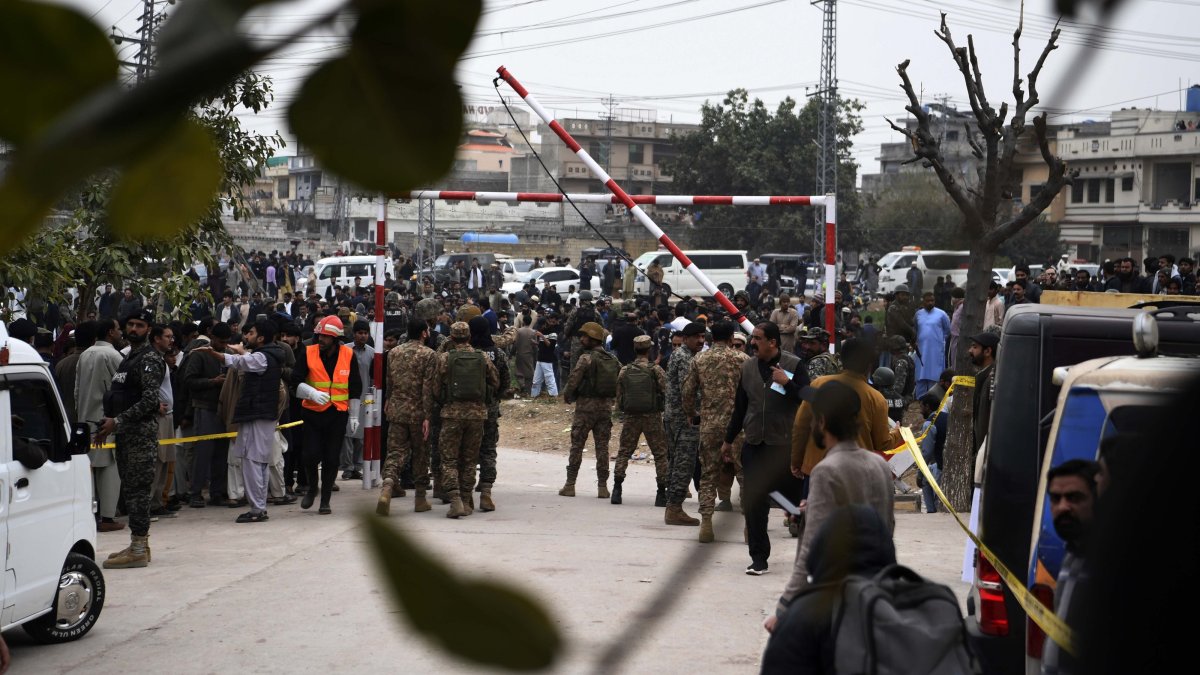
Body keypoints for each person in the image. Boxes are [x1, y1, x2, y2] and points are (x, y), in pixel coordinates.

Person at [770, 379, 896, 626]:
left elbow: (810, 547)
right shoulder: (879, 465)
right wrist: (812, 509)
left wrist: (784, 608)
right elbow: (882, 525)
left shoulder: (826, 471)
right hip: (876, 592)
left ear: (823, 422)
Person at [724, 322, 806, 575]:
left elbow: (810, 399)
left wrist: (788, 383)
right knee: (754, 503)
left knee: (797, 504)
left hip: (784, 448)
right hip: (755, 445)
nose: (753, 342)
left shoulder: (794, 365)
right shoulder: (747, 367)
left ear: (773, 342)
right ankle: (758, 558)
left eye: (758, 338)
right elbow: (740, 406)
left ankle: (812, 553)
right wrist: (728, 440)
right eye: (753, 338)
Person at [94, 308, 166, 569]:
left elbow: (149, 400)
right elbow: (121, 396)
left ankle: (137, 548)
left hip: (139, 438)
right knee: (133, 491)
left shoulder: (149, 359)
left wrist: (118, 421)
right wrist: (107, 424)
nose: (134, 329)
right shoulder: (129, 359)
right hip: (126, 435)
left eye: (140, 325)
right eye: (131, 324)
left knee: (137, 495)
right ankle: (139, 544)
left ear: (148, 329)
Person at [196, 319, 286, 523]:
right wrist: (239, 352)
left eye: (251, 333)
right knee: (257, 462)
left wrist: (212, 353)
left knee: (253, 461)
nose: (246, 337)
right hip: (257, 413)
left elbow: (236, 362)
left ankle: (256, 510)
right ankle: (259, 507)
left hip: (257, 413)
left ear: (261, 338)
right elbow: (243, 360)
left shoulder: (262, 357)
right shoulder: (266, 355)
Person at [682, 320, 750, 543]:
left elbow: (688, 391)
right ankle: (750, 525)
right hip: (738, 427)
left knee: (709, 475)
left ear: (711, 338)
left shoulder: (699, 359)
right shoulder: (743, 359)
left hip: (710, 425)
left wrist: (691, 413)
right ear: (732, 338)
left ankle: (707, 524)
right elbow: (755, 392)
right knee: (744, 475)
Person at [291, 315, 363, 515]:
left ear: (335, 338)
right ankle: (312, 488)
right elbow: (294, 381)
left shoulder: (348, 355)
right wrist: (311, 392)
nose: (320, 339)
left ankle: (325, 500)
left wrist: (355, 416)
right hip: (312, 412)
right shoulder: (308, 352)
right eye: (319, 335)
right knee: (310, 455)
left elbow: (355, 387)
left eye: (325, 336)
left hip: (337, 415)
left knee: (332, 458)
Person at [794, 339, 894, 477]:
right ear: (869, 365)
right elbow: (883, 444)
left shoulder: (819, 384)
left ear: (840, 359)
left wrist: (797, 462)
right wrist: (898, 434)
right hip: (857, 474)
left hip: (816, 468)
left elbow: (801, 426)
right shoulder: (877, 399)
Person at [432, 322, 499, 518]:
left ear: (451, 338)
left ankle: (455, 501)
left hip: (452, 414)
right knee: (470, 460)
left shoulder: (445, 358)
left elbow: (435, 388)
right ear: (469, 337)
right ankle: (467, 499)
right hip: (477, 416)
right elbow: (495, 381)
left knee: (449, 459)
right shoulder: (483, 357)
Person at [1042, 459, 1099, 675]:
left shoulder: (1111, 563)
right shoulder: (1072, 555)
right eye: (1056, 498)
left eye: (1074, 498)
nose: (1063, 507)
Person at [76, 318, 126, 532]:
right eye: (117, 329)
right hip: (106, 421)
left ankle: (92, 515)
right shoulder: (113, 355)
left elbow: (77, 391)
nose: (121, 332)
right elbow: (122, 387)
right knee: (109, 469)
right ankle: (107, 517)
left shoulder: (84, 355)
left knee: (90, 470)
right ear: (109, 333)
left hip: (85, 418)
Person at [560, 322, 617, 498]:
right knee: (602, 448)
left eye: (584, 336)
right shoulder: (612, 359)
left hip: (585, 408)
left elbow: (573, 380)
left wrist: (568, 396)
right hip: (605, 408)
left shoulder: (585, 359)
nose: (582, 339)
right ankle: (602, 487)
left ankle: (570, 485)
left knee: (577, 446)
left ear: (593, 339)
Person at [612, 335, 669, 506]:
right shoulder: (655, 370)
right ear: (649, 350)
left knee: (624, 452)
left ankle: (617, 489)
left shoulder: (625, 370)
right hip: (652, 416)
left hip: (631, 417)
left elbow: (619, 396)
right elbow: (667, 390)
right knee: (660, 454)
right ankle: (661, 493)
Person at [663, 321, 706, 526]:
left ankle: (672, 505)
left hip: (675, 417)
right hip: (684, 418)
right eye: (696, 337)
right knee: (684, 463)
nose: (700, 340)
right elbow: (688, 390)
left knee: (675, 461)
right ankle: (674, 508)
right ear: (686, 338)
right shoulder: (684, 357)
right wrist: (694, 413)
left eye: (703, 337)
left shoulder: (685, 355)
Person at [469, 315, 508, 511]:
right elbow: (505, 383)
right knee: (488, 450)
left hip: (466, 410)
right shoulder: (498, 353)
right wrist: (494, 398)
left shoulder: (464, 352)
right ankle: (485, 492)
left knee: (466, 451)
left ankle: (465, 495)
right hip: (489, 410)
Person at [339, 320, 374, 481]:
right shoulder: (344, 350)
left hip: (365, 398)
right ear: (354, 334)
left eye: (365, 333)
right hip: (346, 397)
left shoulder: (373, 353)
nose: (363, 336)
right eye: (360, 333)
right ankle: (347, 467)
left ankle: (357, 466)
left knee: (361, 434)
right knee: (347, 433)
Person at [914, 291, 952, 399]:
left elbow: (947, 330)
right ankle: (920, 398)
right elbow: (915, 329)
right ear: (923, 302)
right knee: (921, 374)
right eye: (928, 301)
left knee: (934, 375)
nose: (930, 303)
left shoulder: (941, 314)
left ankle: (934, 398)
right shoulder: (918, 314)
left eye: (932, 301)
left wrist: (938, 340)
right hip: (921, 349)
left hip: (936, 349)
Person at [968, 331, 998, 458]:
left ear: (987, 351)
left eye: (975, 347)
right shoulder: (985, 376)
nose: (970, 351)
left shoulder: (992, 378)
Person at [916, 392, 948, 513]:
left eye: (921, 407)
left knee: (925, 482)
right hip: (948, 465)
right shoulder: (948, 416)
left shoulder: (929, 424)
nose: (920, 410)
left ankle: (931, 512)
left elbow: (926, 452)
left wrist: (920, 474)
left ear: (928, 407)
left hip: (939, 465)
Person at [531, 311, 561, 398]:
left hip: (547, 359)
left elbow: (550, 345)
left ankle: (554, 395)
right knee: (536, 380)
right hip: (540, 359)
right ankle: (534, 395)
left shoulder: (553, 333)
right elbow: (542, 345)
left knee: (549, 379)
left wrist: (542, 336)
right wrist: (536, 343)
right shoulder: (543, 332)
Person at [513, 315, 538, 395]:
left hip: (519, 354)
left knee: (519, 371)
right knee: (530, 373)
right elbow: (535, 346)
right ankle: (528, 390)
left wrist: (512, 353)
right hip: (529, 355)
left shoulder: (519, 331)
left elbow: (515, 343)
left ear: (523, 321)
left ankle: (522, 385)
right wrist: (535, 356)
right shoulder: (533, 332)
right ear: (531, 322)